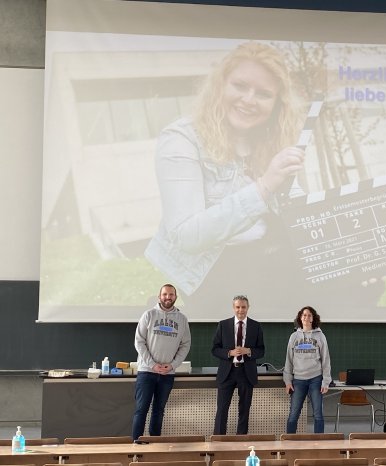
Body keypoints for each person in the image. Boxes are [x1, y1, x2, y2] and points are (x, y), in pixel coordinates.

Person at [145, 42, 305, 309]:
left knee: (344, 290)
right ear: (221, 86)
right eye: (240, 86)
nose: (249, 100)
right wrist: (264, 186)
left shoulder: (272, 139)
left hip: (269, 258)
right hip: (211, 271)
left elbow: (296, 212)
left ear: (278, 104)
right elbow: (187, 236)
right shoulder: (181, 139)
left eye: (264, 94)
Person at [132, 284, 191, 440]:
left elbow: (186, 345)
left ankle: (155, 444)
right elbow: (139, 342)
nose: (168, 297)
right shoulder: (149, 315)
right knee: (141, 410)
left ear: (175, 297)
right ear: (159, 296)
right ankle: (135, 445)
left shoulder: (182, 319)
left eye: (171, 294)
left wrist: (172, 365)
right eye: (165, 294)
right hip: (146, 372)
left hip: (167, 373)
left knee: (159, 410)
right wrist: (152, 364)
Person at [212, 294, 265, 434]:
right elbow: (215, 349)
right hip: (227, 373)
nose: (240, 310)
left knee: (244, 410)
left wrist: (249, 351)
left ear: (248, 308)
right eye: (237, 307)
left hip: (246, 373)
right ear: (233, 308)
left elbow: (261, 351)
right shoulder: (223, 325)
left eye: (243, 307)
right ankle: (218, 441)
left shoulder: (256, 326)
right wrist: (229, 353)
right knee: (222, 409)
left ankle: (241, 441)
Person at [283, 306, 332, 433]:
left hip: (316, 379)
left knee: (318, 414)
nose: (306, 317)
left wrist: (326, 381)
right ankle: (289, 443)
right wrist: (288, 380)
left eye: (309, 315)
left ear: (313, 319)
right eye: (304, 315)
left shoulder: (320, 336)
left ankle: (319, 443)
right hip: (298, 380)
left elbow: (326, 359)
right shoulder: (294, 337)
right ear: (300, 318)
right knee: (293, 414)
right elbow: (289, 359)